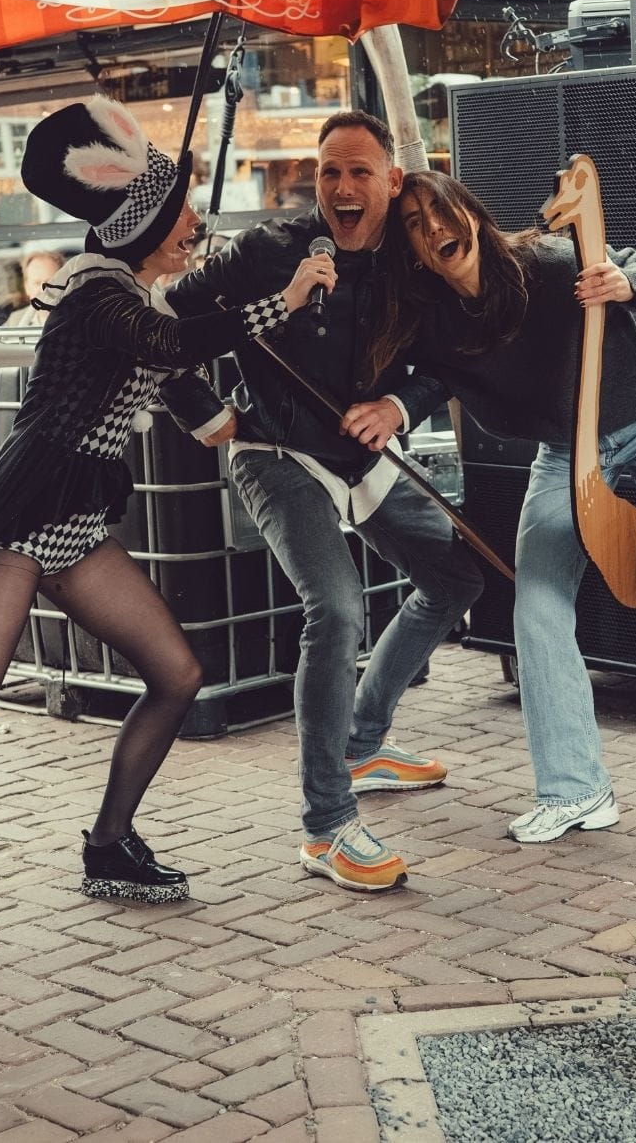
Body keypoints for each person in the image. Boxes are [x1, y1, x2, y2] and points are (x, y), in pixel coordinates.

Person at [0, 95, 330, 967]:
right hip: (23, 516)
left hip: (81, 523)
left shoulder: (131, 293)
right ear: (146, 225)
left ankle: (108, 844)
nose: (194, 230)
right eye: (182, 219)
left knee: (178, 674)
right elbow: (166, 348)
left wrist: (272, 429)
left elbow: (184, 395)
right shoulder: (98, 293)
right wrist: (283, 299)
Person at [374, 170, 636, 869]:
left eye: (439, 211)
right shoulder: (435, 320)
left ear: (470, 214)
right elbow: (431, 378)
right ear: (413, 252)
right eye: (414, 225)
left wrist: (626, 284)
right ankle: (577, 789)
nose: (432, 229)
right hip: (567, 454)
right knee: (537, 604)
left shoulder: (543, 261)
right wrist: (393, 410)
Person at [161, 111, 483, 893]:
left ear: (391, 182)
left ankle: (363, 740)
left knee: (458, 577)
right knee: (336, 612)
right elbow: (162, 322)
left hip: (360, 452)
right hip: (275, 450)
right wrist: (205, 413)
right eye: (328, 172)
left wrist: (399, 408)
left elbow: (444, 360)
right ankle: (327, 825)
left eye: (359, 173)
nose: (342, 188)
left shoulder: (412, 258)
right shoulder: (267, 249)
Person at [4, 251, 67, 327]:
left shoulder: (77, 320)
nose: (42, 290)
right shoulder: (15, 321)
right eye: (37, 283)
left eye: (49, 282)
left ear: (63, 284)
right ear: (27, 287)